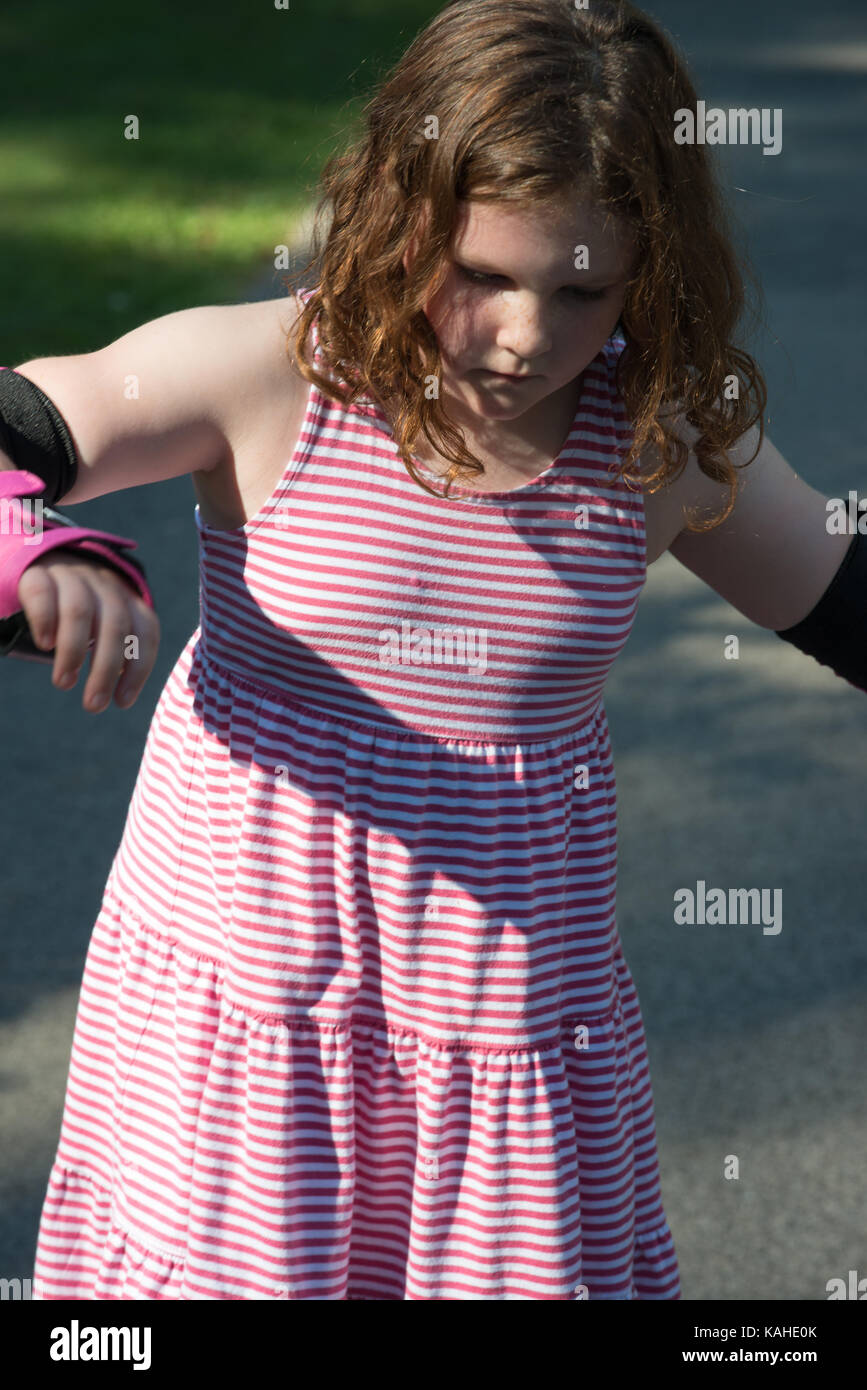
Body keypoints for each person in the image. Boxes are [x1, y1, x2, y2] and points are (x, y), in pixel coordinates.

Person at [3, 0, 863, 1300]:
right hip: (253, 1004)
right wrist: (42, 554)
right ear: (402, 215)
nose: (527, 334)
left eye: (585, 288)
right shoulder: (273, 376)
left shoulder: (657, 442)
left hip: (499, 1034)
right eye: (486, 274)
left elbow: (846, 593)